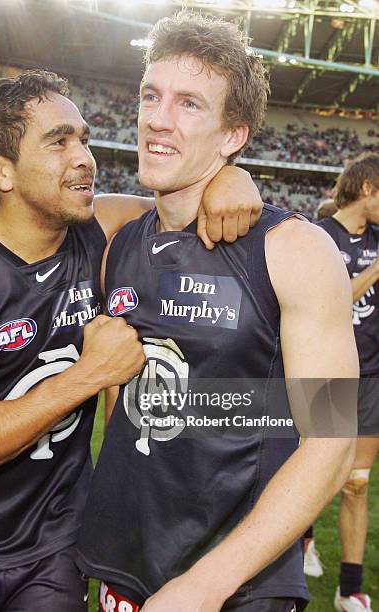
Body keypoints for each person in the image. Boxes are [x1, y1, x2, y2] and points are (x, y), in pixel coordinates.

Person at [0, 69, 263, 610]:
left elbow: (183, 204)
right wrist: (89, 375)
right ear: (0, 170)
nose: (85, 157)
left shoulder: (105, 233)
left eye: (84, 139)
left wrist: (233, 176)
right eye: (58, 142)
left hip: (58, 546)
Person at [76, 12, 358, 612]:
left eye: (189, 104)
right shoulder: (118, 241)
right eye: (151, 96)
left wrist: (205, 585)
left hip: (236, 588)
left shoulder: (297, 250)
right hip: (123, 570)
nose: (157, 118)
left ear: (234, 136)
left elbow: (330, 440)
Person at [315, 153, 379, 612]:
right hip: (326, 371)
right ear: (369, 189)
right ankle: (299, 540)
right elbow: (335, 301)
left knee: (357, 483)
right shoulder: (318, 237)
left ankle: (349, 588)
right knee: (311, 472)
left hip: (372, 377)